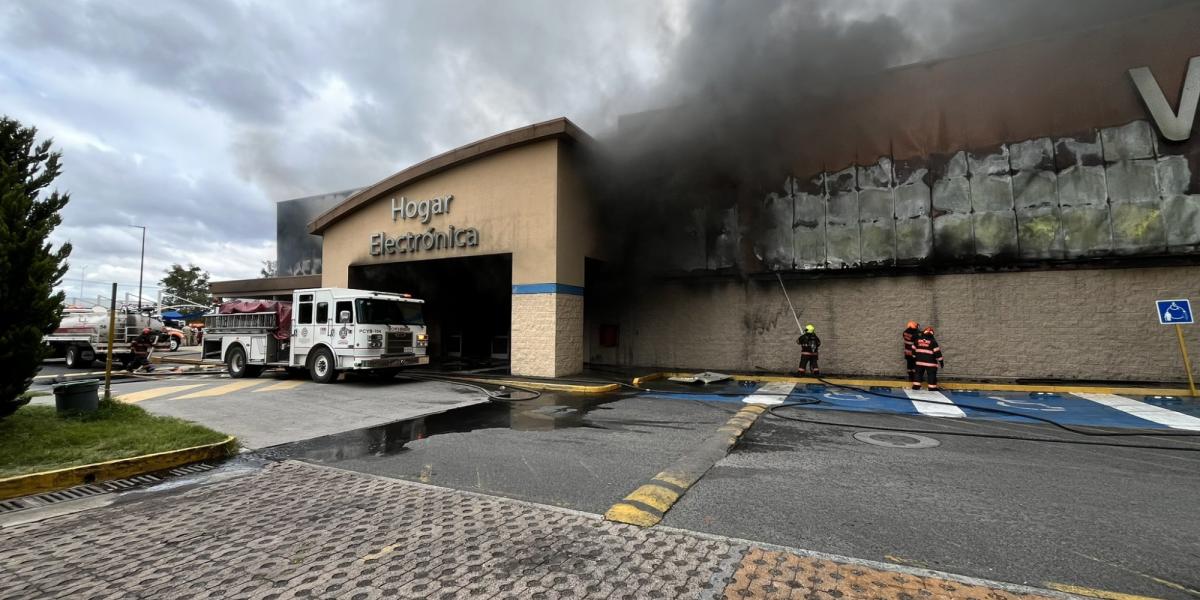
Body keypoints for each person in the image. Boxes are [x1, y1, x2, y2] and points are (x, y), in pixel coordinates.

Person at [912, 326, 944, 390]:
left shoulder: (917, 340)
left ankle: (916, 386)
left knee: (918, 373)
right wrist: (941, 361)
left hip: (919, 362)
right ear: (932, 334)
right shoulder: (933, 341)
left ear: (923, 333)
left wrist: (914, 357)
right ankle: (932, 388)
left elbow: (913, 349)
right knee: (931, 374)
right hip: (930, 363)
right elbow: (937, 352)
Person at [903, 320, 921, 386]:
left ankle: (910, 378)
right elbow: (918, 338)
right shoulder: (915, 333)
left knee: (909, 365)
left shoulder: (905, 332)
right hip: (913, 352)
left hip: (907, 352)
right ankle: (915, 378)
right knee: (915, 365)